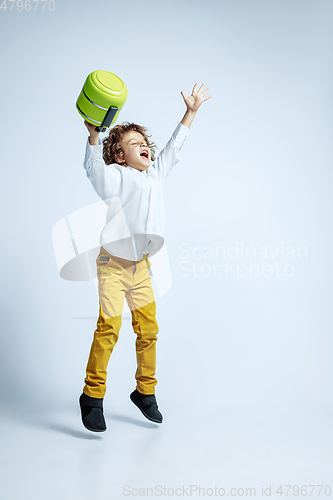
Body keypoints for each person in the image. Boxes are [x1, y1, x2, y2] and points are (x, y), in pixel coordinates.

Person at [79, 83, 212, 432]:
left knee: (148, 331)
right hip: (112, 265)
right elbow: (95, 172)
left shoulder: (155, 175)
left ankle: (145, 392)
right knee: (109, 327)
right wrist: (94, 138)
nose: (144, 148)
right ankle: (92, 397)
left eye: (145, 144)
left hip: (142, 267)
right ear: (120, 156)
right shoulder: (117, 177)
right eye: (134, 144)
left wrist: (191, 111)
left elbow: (173, 146)